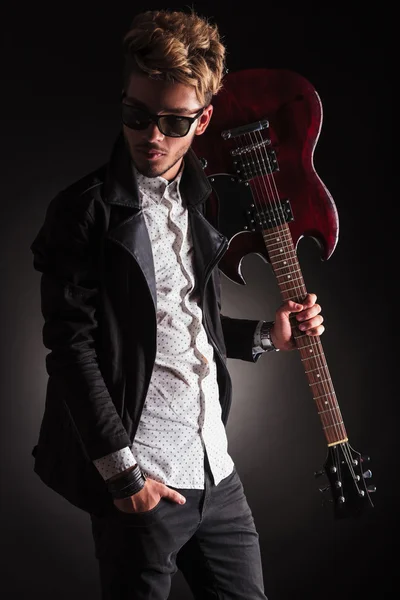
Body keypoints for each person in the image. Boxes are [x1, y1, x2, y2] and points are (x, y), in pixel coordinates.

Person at [30, 8, 325, 599]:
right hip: (144, 481)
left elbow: (188, 321)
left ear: (204, 119)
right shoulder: (83, 211)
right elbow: (71, 350)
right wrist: (124, 478)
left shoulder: (199, 198)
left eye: (173, 120)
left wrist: (269, 335)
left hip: (217, 471)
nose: (153, 136)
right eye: (137, 115)